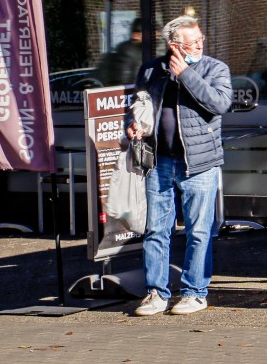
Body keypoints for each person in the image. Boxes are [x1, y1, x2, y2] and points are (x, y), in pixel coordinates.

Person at [125, 16, 232, 317]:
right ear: (174, 46)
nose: (199, 44)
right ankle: (156, 293)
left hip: (199, 164)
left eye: (201, 39)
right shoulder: (151, 70)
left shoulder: (214, 69)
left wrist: (186, 74)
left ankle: (195, 293)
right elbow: (135, 104)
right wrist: (131, 125)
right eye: (193, 41)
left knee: (199, 232)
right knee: (156, 230)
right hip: (158, 162)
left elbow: (219, 104)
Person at [95, 18, 144, 87]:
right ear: (136, 35)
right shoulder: (129, 51)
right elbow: (125, 81)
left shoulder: (142, 51)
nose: (156, 35)